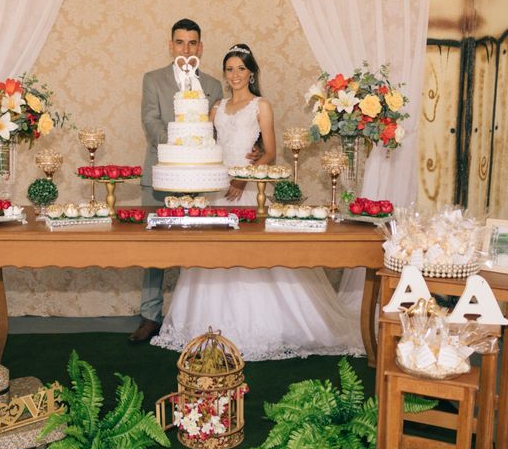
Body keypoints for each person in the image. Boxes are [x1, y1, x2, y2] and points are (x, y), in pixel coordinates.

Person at [151, 44, 365, 360]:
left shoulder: (261, 106)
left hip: (248, 189)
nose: (235, 75)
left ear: (251, 72)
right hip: (216, 188)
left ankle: (267, 327)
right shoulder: (216, 108)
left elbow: (270, 152)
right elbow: (204, 145)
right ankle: (208, 327)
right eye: (229, 69)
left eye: (240, 68)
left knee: (252, 256)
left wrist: (243, 177)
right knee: (213, 259)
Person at [132, 18, 224, 343]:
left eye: (192, 43)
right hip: (160, 174)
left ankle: (191, 318)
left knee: (196, 249)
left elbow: (216, 128)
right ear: (171, 45)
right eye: (180, 42)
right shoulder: (153, 79)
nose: (186, 49)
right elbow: (150, 120)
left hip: (199, 179)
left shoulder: (213, 85)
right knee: (154, 251)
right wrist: (177, 146)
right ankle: (149, 316)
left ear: (200, 47)